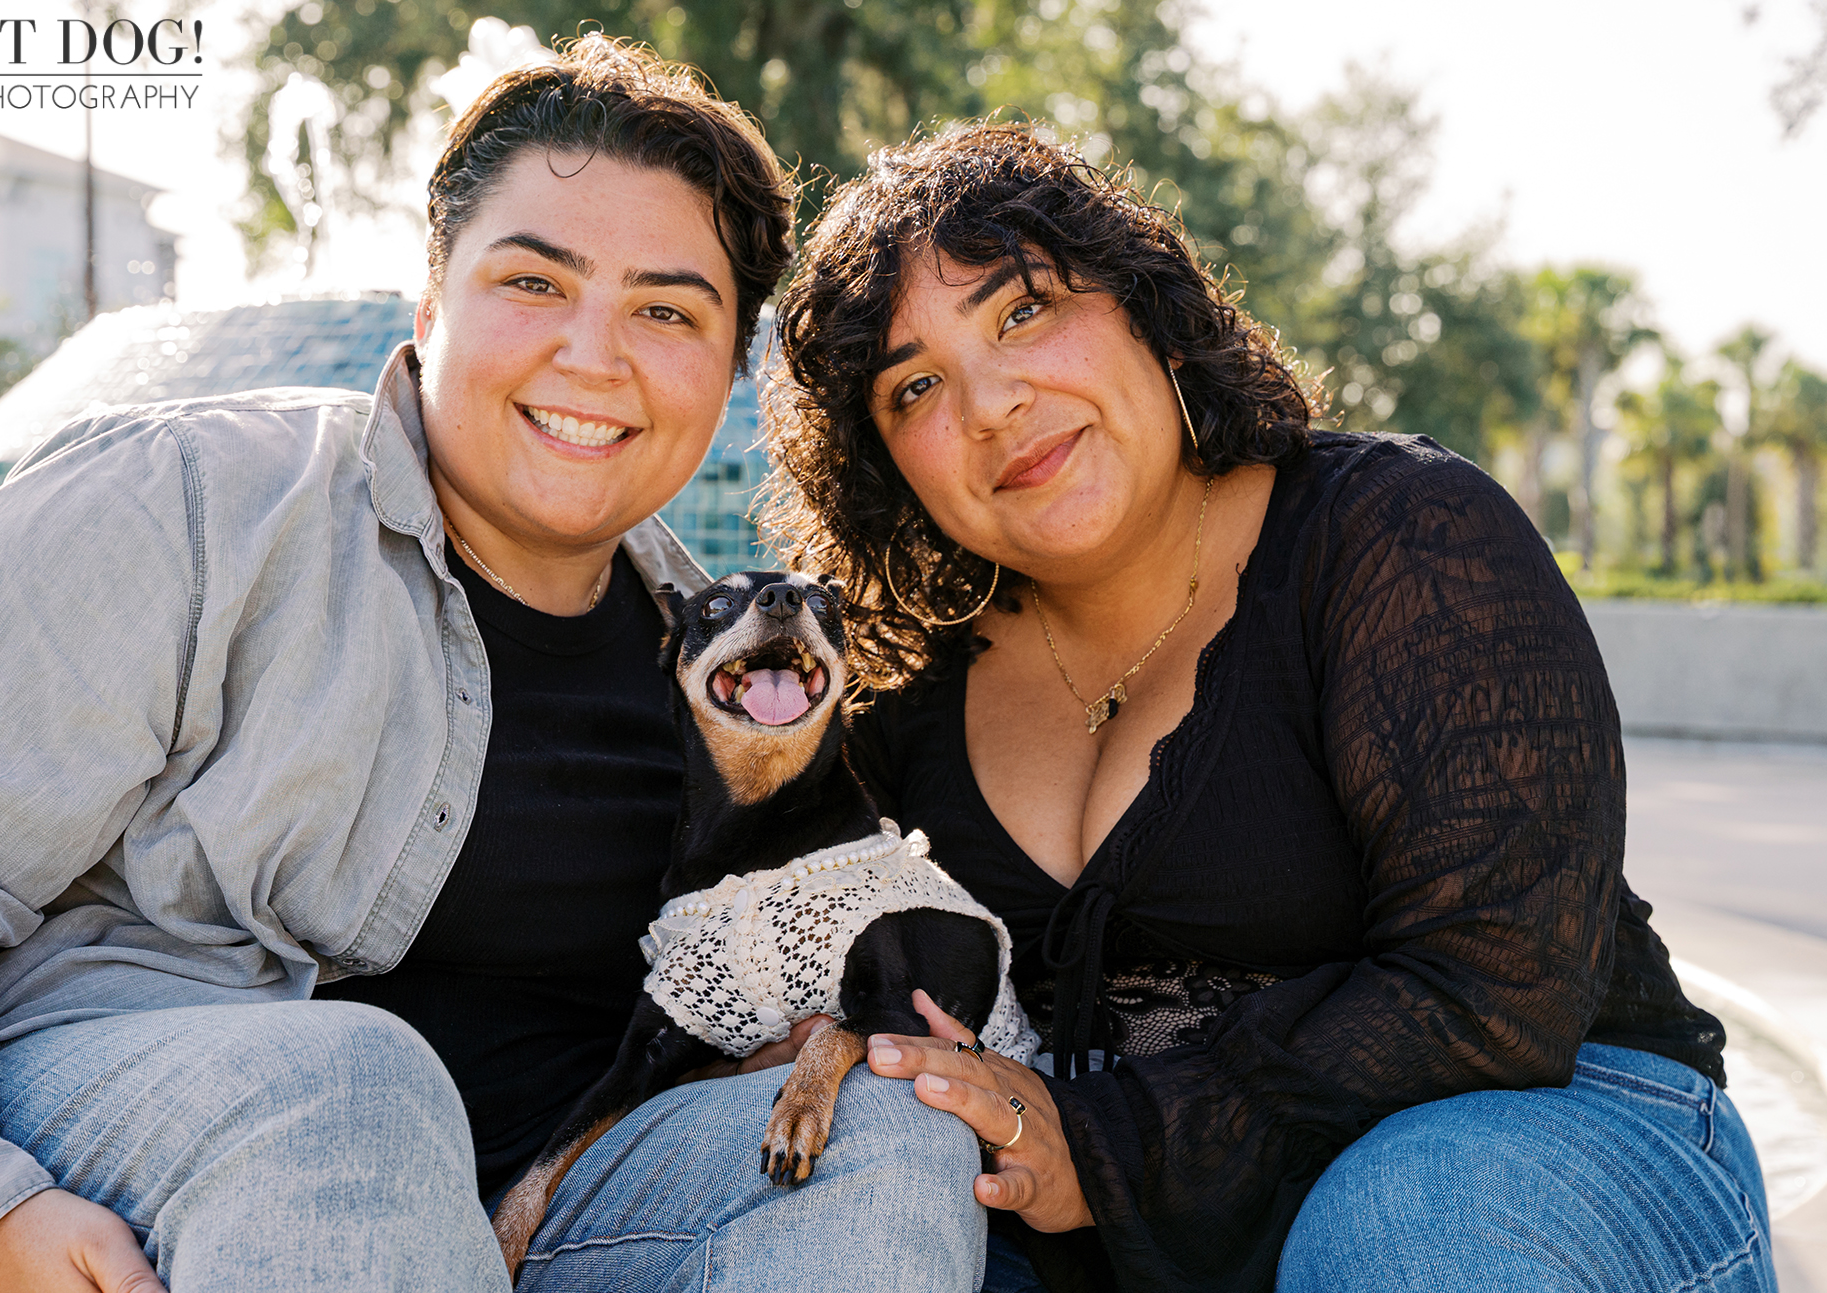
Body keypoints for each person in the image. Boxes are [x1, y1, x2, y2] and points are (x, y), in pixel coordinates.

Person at [0, 40, 985, 1293]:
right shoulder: (190, 506)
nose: (594, 354)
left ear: (725, 369)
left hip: (537, 1206)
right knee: (355, 1086)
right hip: (155, 1130)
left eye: (666, 311)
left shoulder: (722, 660)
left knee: (885, 1140)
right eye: (533, 283)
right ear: (430, 306)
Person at [758, 122, 1773, 1293]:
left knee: (1396, 1230)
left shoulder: (1399, 537)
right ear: (889, 466)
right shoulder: (897, 690)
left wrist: (1100, 1146)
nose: (990, 402)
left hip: (1536, 1138)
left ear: (1148, 312)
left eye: (1023, 311)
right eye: (915, 387)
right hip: (1125, 1217)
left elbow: (1495, 986)